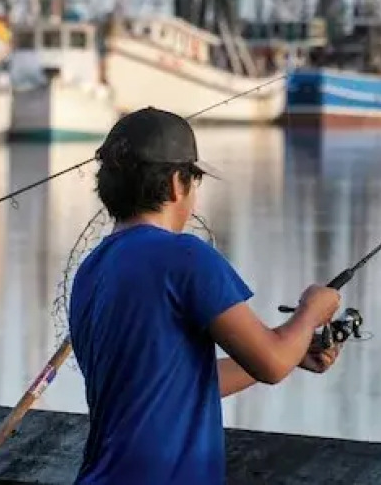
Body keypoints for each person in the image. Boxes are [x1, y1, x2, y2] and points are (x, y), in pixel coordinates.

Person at [68, 107, 346, 484]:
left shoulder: (92, 269)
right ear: (176, 185)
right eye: (194, 181)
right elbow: (273, 363)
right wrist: (311, 312)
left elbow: (176, 383)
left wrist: (295, 347)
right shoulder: (184, 256)